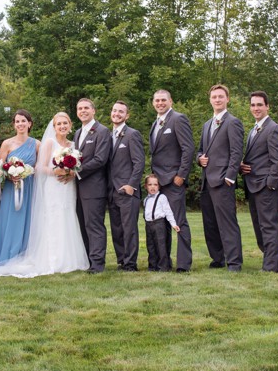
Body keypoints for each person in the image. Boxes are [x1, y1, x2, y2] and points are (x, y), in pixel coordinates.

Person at [0, 112, 89, 277]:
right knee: (53, 218)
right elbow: (39, 168)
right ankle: (53, 259)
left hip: (67, 187)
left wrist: (71, 173)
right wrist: (55, 171)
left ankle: (71, 259)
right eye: (59, 124)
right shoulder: (47, 142)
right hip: (49, 185)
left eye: (65, 123)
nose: (62, 126)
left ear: (70, 125)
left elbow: (76, 166)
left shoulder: (72, 145)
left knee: (68, 217)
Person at [196, 84, 245, 272]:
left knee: (227, 223)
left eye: (220, 97)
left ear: (227, 99)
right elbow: (200, 150)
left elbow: (236, 151)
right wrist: (199, 159)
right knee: (210, 223)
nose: (217, 99)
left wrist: (230, 178)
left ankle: (234, 262)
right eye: (214, 97)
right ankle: (217, 258)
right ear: (210, 100)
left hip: (223, 181)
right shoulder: (207, 124)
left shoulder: (233, 122)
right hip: (207, 181)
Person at [148, 89, 195, 272]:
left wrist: (181, 176)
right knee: (161, 224)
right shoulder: (155, 124)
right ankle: (163, 263)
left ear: (171, 101)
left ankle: (183, 264)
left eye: (163, 100)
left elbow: (188, 149)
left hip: (173, 181)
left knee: (178, 222)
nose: (160, 103)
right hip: (158, 182)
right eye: (157, 100)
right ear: (153, 103)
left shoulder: (178, 119)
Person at [240, 91, 278, 273]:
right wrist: (242, 166)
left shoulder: (273, 128)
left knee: (269, 225)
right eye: (253, 105)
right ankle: (269, 259)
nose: (256, 108)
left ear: (267, 106)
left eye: (259, 104)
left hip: (266, 187)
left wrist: (270, 184)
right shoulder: (254, 129)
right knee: (259, 226)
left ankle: (271, 266)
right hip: (253, 186)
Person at [67, 98, 112, 273]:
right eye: (80, 108)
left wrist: (76, 171)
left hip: (94, 188)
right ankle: (87, 260)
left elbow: (100, 159)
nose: (83, 111)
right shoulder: (78, 132)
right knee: (83, 225)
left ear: (93, 111)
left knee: (94, 226)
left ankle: (98, 264)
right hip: (78, 188)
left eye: (86, 108)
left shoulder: (102, 131)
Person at [0, 110, 38, 263]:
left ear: (29, 123)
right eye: (17, 121)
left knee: (28, 221)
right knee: (10, 221)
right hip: (11, 189)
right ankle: (8, 255)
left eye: (23, 121)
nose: (20, 124)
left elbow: (39, 169)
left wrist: (27, 172)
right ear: (14, 124)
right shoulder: (7, 143)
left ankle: (26, 256)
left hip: (29, 188)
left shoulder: (37, 144)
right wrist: (9, 174)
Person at [106, 100, 145, 271]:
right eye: (114, 111)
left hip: (127, 191)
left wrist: (131, 185)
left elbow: (139, 163)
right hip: (112, 191)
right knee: (116, 228)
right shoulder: (108, 136)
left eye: (121, 111)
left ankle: (131, 263)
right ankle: (121, 260)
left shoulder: (132, 134)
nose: (117, 114)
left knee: (129, 229)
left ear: (126, 115)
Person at [142, 174, 181, 272]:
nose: (152, 187)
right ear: (146, 186)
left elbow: (168, 212)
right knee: (150, 246)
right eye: (150, 184)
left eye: (155, 185)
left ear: (159, 186)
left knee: (161, 246)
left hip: (159, 224)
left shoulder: (162, 197)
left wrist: (173, 224)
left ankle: (163, 266)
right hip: (149, 225)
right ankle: (152, 266)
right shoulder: (146, 200)